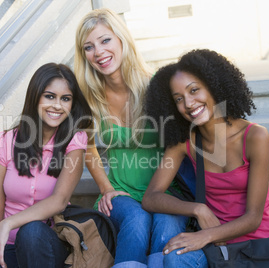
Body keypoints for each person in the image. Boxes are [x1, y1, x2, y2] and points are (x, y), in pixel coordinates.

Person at [143, 49, 269, 267]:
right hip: (220, 250)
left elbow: (254, 217)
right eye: (179, 99)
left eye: (194, 90)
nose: (189, 104)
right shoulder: (186, 142)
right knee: (172, 259)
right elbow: (151, 197)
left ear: (213, 85)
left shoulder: (255, 136)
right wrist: (197, 208)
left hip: (264, 245)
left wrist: (205, 236)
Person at [74, 8, 188, 267]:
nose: (99, 52)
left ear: (121, 39)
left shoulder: (156, 86)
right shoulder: (90, 96)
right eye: (88, 47)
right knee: (136, 220)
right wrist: (107, 188)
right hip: (121, 191)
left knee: (166, 227)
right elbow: (88, 148)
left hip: (166, 188)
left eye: (105, 40)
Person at [0, 63, 92, 268]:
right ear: (35, 96)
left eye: (65, 99)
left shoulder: (75, 141)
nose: (57, 105)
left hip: (50, 244)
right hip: (10, 247)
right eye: (49, 96)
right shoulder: (5, 141)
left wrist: (8, 224)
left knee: (31, 231)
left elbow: (59, 200)